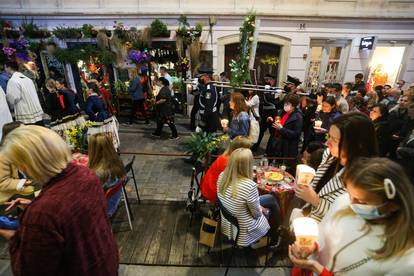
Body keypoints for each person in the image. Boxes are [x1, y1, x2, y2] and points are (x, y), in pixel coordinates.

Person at [0, 125, 118, 275]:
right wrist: (33, 205)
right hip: (104, 263)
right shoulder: (86, 175)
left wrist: (16, 237)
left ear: (27, 165)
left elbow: (29, 270)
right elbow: (72, 213)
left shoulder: (42, 213)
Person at [289, 158, 414, 275]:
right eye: (350, 194)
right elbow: (322, 234)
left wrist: (317, 269)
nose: (352, 204)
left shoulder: (406, 259)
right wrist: (310, 247)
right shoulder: (343, 202)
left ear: (392, 206)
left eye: (362, 202)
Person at [293, 112, 378, 222]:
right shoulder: (330, 155)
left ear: (357, 144)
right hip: (307, 220)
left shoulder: (364, 179)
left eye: (335, 140)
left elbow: (349, 219)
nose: (327, 143)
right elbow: (318, 186)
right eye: (329, 136)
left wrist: (316, 201)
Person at [217, 148, 280, 246]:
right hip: (244, 229)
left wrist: (258, 206)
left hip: (228, 220)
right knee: (271, 207)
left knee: (271, 197)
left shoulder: (222, 175)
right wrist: (263, 210)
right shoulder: (249, 186)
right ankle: (274, 236)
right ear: (248, 166)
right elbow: (256, 215)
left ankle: (275, 232)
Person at [200, 136, 251, 203]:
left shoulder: (225, 156)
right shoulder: (229, 163)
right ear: (240, 150)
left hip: (208, 186)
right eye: (248, 149)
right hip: (213, 191)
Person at [0, 122, 34, 204]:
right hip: (9, 195)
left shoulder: (22, 148)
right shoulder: (3, 155)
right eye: (23, 131)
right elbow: (2, 182)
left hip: (25, 184)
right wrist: (23, 182)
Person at [266, 93, 303, 168]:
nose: (285, 105)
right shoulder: (282, 112)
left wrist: (282, 129)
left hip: (287, 146)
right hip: (277, 143)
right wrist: (271, 121)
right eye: (285, 103)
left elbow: (296, 134)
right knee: (273, 164)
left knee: (282, 167)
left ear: (294, 105)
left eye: (288, 104)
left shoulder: (298, 117)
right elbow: (278, 124)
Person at [5, 61, 43, 125]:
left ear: (9, 68)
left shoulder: (13, 81)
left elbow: (13, 98)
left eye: (5, 67)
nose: (5, 69)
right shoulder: (28, 79)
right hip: (36, 111)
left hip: (25, 114)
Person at [198, 69, 220, 133]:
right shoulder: (206, 87)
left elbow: (209, 107)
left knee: (208, 139)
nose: (199, 78)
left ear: (206, 77)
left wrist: (201, 123)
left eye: (201, 77)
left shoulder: (209, 89)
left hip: (209, 118)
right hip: (207, 117)